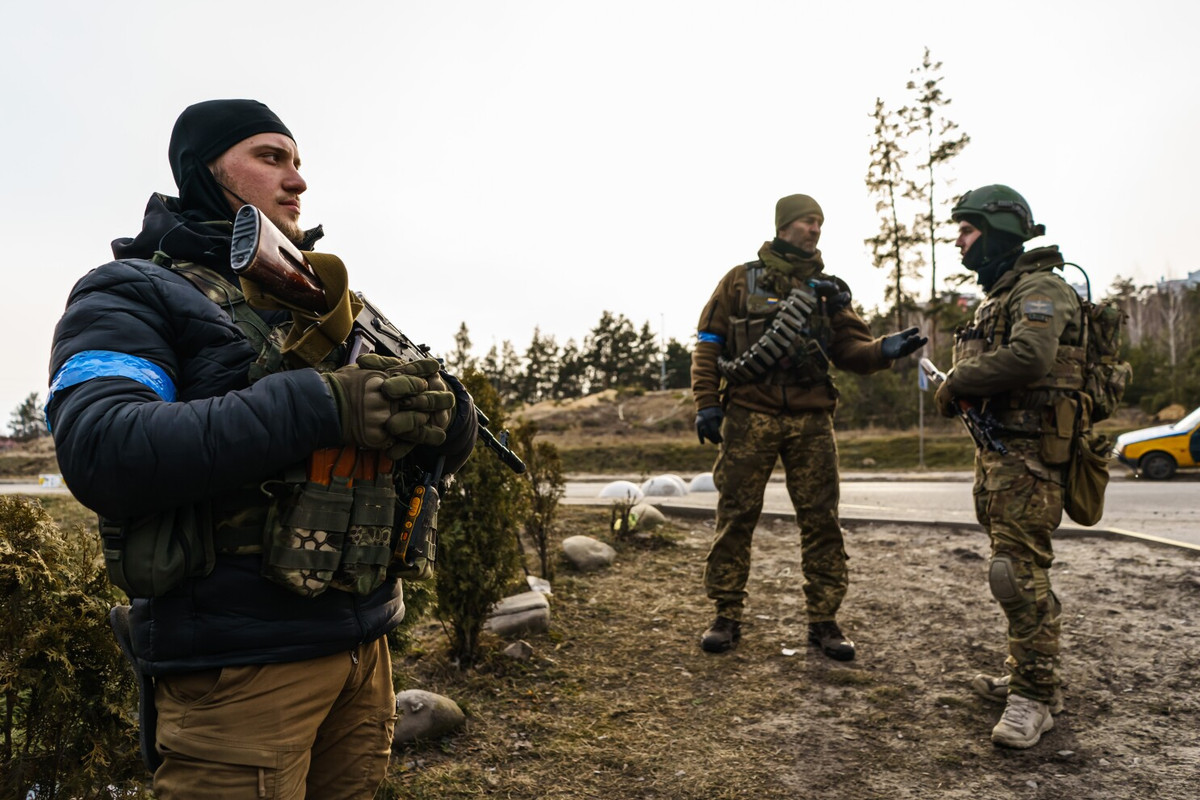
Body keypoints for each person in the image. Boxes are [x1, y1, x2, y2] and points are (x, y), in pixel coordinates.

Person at [46, 99, 479, 798]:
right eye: (271, 157)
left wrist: (448, 414)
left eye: (299, 162)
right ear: (205, 171)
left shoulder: (329, 298)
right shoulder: (134, 293)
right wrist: (324, 402)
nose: (298, 179)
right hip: (238, 671)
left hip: (363, 649)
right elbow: (105, 446)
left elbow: (430, 451)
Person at [691, 193, 926, 660]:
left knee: (821, 521)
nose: (814, 229)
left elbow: (852, 351)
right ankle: (726, 615)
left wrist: (883, 350)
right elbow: (708, 345)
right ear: (784, 226)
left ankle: (824, 621)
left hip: (811, 418)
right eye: (806, 221)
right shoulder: (739, 281)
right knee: (736, 517)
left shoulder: (828, 290)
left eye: (819, 222)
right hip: (748, 414)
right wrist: (705, 403)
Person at [935, 184, 1080, 748]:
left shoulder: (1041, 287)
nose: (960, 242)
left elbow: (1032, 356)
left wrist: (958, 381)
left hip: (1030, 458)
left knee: (1016, 575)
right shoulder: (1002, 295)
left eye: (967, 232)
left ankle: (1036, 699)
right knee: (1019, 575)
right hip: (1001, 456)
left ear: (997, 231)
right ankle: (1030, 674)